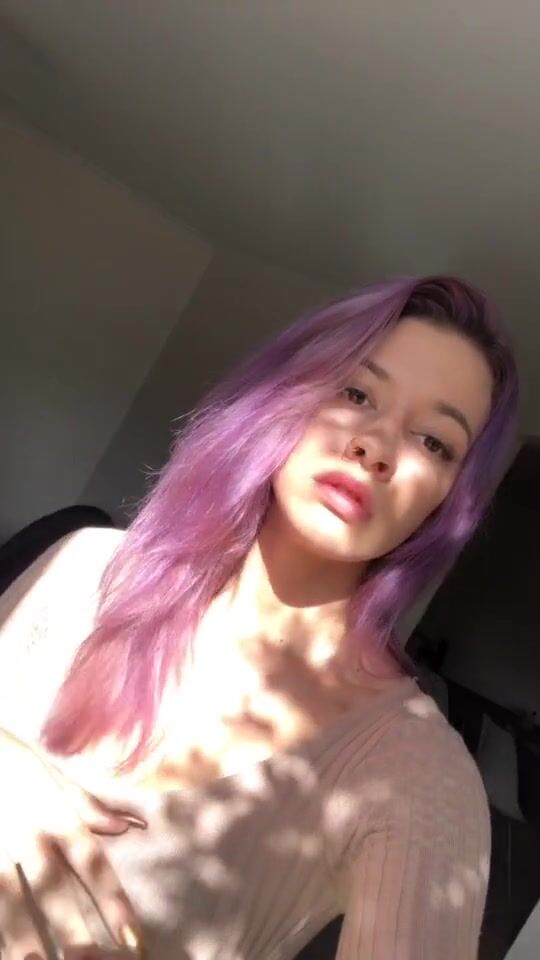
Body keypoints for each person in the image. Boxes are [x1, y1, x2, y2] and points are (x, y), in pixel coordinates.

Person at [0, 276, 519, 960]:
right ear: (287, 397)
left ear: (447, 502)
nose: (377, 445)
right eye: (356, 393)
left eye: (433, 442)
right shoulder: (82, 568)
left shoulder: (418, 775)